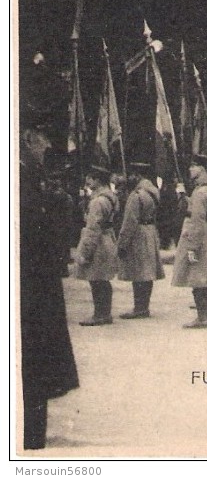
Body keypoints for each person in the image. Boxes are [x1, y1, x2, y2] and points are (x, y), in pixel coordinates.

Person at [20, 114, 78, 449]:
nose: (49, 146)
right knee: (33, 358)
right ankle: (29, 435)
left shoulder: (31, 176)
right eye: (43, 139)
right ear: (29, 138)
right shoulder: (22, 177)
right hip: (30, 286)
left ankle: (32, 431)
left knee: (36, 359)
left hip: (37, 284)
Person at [171, 154, 207, 329]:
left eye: (193, 166)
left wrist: (192, 247)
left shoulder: (201, 191)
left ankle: (202, 317)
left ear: (202, 169)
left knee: (197, 277)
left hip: (201, 236)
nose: (190, 169)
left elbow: (196, 221)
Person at [74, 165, 120, 326]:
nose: (87, 181)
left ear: (97, 180)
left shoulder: (97, 202)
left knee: (96, 280)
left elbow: (92, 229)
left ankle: (100, 314)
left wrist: (85, 253)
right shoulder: (110, 198)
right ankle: (104, 313)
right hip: (108, 239)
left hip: (98, 243)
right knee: (103, 280)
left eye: (90, 178)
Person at [117, 161, 163, 319]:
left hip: (138, 234)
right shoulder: (154, 192)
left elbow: (129, 221)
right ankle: (144, 306)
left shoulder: (136, 195)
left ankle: (139, 308)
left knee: (138, 272)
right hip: (150, 231)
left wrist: (122, 244)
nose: (129, 177)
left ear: (137, 175)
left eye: (131, 175)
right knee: (147, 271)